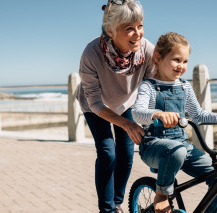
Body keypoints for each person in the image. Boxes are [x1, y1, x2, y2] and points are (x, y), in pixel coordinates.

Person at [131, 32, 217, 213]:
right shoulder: (148, 86)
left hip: (182, 146)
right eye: (176, 60)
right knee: (176, 152)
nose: (181, 66)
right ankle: (162, 194)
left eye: (185, 61)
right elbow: (137, 113)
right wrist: (157, 114)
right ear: (158, 57)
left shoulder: (184, 86)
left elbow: (198, 115)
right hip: (153, 145)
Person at [76, 0, 154, 212]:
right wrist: (127, 125)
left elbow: (153, 88)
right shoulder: (91, 53)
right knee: (108, 152)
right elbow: (94, 102)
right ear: (110, 30)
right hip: (96, 105)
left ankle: (117, 203)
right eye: (129, 28)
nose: (137, 33)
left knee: (127, 153)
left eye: (140, 25)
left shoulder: (147, 50)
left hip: (126, 102)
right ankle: (107, 209)